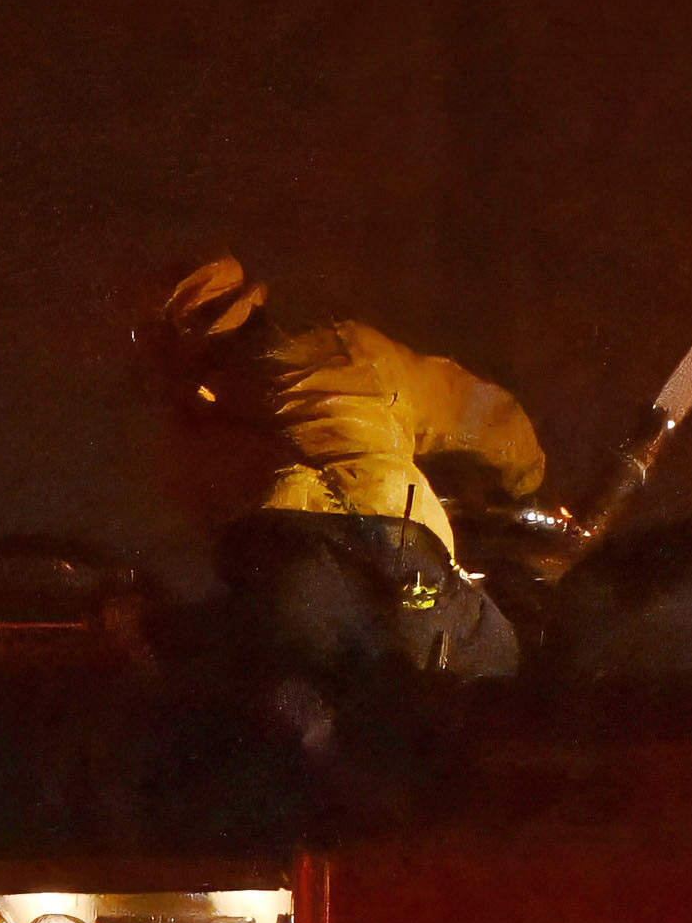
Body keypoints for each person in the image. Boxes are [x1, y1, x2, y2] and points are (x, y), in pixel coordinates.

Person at [141, 255, 548, 691]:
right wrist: (525, 482)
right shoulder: (351, 352)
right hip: (397, 552)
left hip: (282, 568)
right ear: (258, 305)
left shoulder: (189, 419)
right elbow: (485, 416)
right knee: (500, 653)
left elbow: (200, 519)